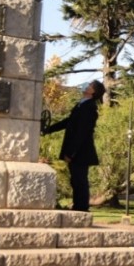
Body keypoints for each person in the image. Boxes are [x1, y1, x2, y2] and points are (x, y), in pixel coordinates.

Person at [42, 80, 105, 212]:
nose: (86, 86)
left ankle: (81, 208)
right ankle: (78, 206)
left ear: (93, 92)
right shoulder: (81, 105)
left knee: (80, 180)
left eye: (90, 86)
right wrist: (48, 129)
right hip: (77, 151)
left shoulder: (89, 108)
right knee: (76, 180)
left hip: (80, 152)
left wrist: (71, 153)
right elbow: (68, 122)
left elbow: (81, 133)